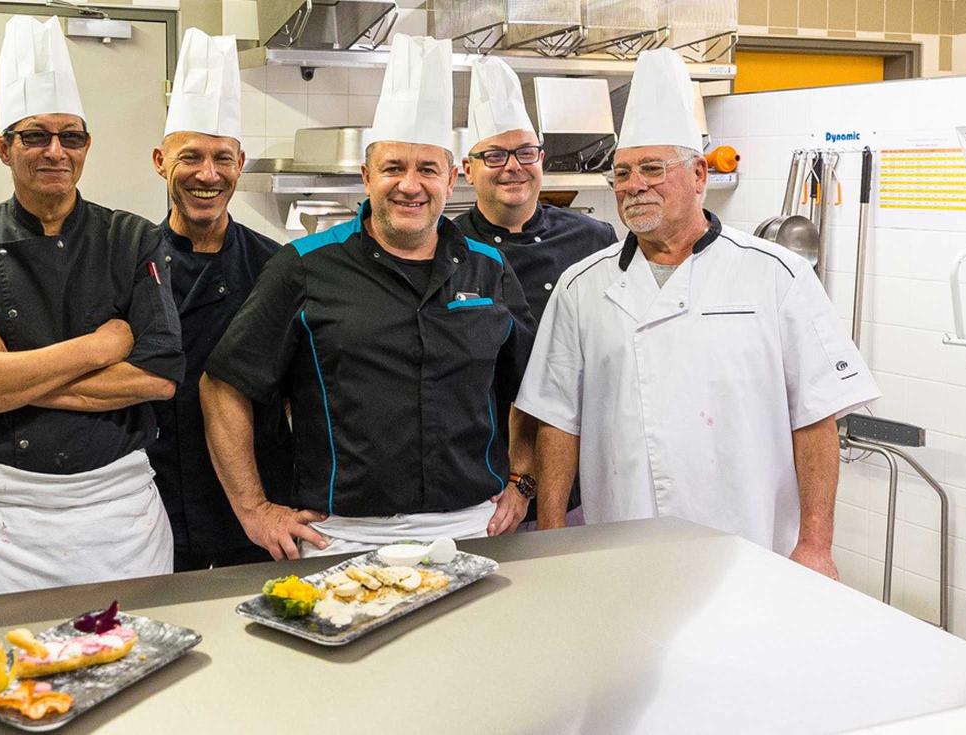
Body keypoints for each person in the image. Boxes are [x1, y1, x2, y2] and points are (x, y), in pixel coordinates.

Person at [515, 48, 881, 576]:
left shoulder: (776, 274)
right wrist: (551, 537)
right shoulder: (581, 285)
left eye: (652, 169)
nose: (634, 185)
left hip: (748, 541)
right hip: (621, 541)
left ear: (699, 175)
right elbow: (557, 422)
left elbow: (816, 418)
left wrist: (816, 545)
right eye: (621, 173)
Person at [200, 35, 537, 559]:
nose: (410, 185)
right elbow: (223, 385)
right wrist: (254, 509)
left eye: (427, 169)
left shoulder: (489, 268)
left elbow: (533, 390)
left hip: (474, 530)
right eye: (392, 168)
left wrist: (523, 481)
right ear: (365, 177)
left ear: (452, 179)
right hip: (345, 537)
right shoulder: (304, 267)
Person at [0, 16, 183, 600]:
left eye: (72, 137)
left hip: (119, 520)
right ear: (3, 147)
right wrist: (98, 348)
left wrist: (7, 370)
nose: (56, 152)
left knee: (132, 671)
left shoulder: (133, 239)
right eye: (35, 136)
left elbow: (159, 379)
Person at [147, 29, 292, 571]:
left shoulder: (277, 265)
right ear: (161, 161)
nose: (208, 175)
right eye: (191, 157)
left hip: (255, 502)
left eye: (222, 158)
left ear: (241, 162)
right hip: (152, 505)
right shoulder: (130, 262)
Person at [453, 56, 616, 530]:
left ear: (541, 159)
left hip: (583, 472)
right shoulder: (447, 247)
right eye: (494, 156)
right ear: (467, 169)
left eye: (526, 152)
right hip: (485, 477)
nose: (513, 168)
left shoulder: (594, 238)